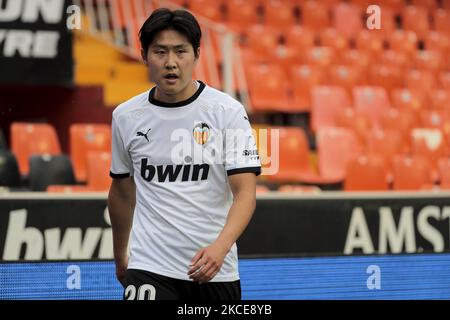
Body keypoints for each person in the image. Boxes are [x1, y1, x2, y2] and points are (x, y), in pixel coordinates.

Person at [108, 7, 261, 301]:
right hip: (149, 266)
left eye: (181, 51)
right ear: (144, 55)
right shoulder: (126, 116)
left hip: (214, 269)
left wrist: (221, 247)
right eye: (160, 52)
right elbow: (122, 190)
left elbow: (246, 193)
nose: (171, 63)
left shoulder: (227, 112)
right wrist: (121, 255)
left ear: (197, 54)